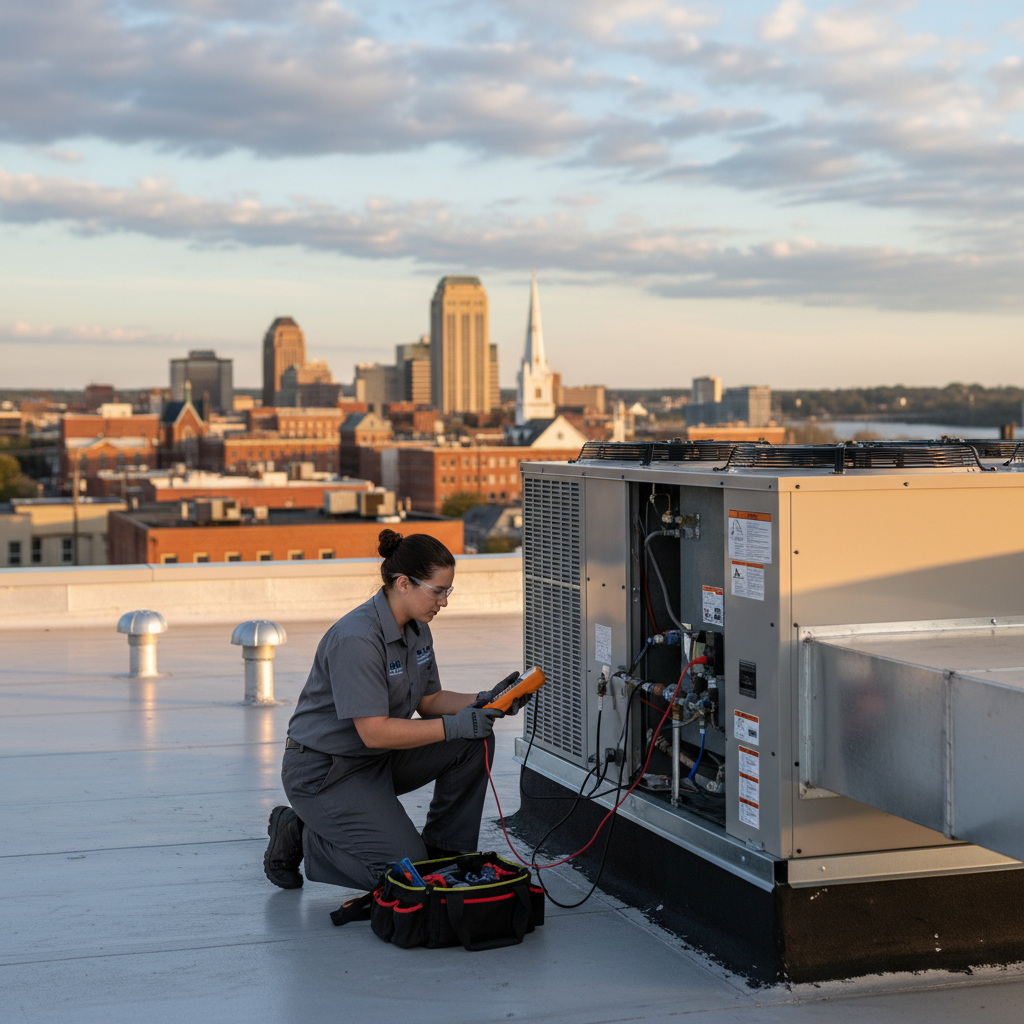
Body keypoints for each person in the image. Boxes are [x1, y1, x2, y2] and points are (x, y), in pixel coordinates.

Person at [263, 528, 529, 892]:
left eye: (447, 591)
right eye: (437, 591)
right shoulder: (357, 638)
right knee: (401, 876)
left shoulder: (417, 628)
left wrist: (484, 699)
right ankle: (298, 832)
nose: (444, 602)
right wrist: (455, 725)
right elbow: (374, 731)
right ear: (403, 583)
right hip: (325, 771)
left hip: (376, 760)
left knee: (474, 741)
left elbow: (429, 701)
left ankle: (442, 856)